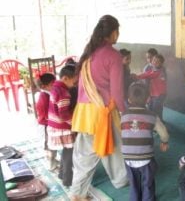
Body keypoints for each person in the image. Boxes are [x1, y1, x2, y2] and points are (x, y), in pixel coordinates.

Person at [70, 15, 128, 201]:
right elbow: (117, 92)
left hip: (84, 112)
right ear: (112, 33)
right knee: (114, 146)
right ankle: (120, 180)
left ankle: (78, 192)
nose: (118, 34)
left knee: (85, 155)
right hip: (103, 112)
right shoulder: (113, 55)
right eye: (117, 31)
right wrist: (125, 113)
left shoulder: (88, 54)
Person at [121, 83, 169, 201]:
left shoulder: (123, 115)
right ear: (148, 98)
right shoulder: (152, 116)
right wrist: (164, 142)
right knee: (148, 182)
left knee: (134, 183)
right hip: (145, 158)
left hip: (128, 157)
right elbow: (164, 134)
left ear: (128, 99)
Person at [47, 65, 78, 187]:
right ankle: (67, 179)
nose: (75, 85)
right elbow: (64, 114)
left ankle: (61, 174)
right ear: (65, 78)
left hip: (55, 125)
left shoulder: (55, 88)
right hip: (61, 127)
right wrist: (75, 124)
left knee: (66, 151)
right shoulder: (64, 93)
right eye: (74, 82)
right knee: (69, 152)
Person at [135, 54, 167, 121]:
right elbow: (148, 73)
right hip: (154, 94)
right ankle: (157, 121)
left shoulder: (159, 71)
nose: (154, 62)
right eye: (154, 60)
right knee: (152, 108)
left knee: (155, 109)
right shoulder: (153, 69)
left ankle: (157, 122)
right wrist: (139, 75)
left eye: (157, 62)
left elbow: (149, 75)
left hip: (159, 95)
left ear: (161, 64)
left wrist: (137, 76)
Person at [35, 73, 57, 171]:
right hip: (45, 124)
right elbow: (46, 114)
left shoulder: (47, 94)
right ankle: (50, 164)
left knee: (52, 144)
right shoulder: (44, 97)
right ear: (44, 86)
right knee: (49, 145)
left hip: (49, 123)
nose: (55, 85)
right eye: (53, 84)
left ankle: (53, 161)